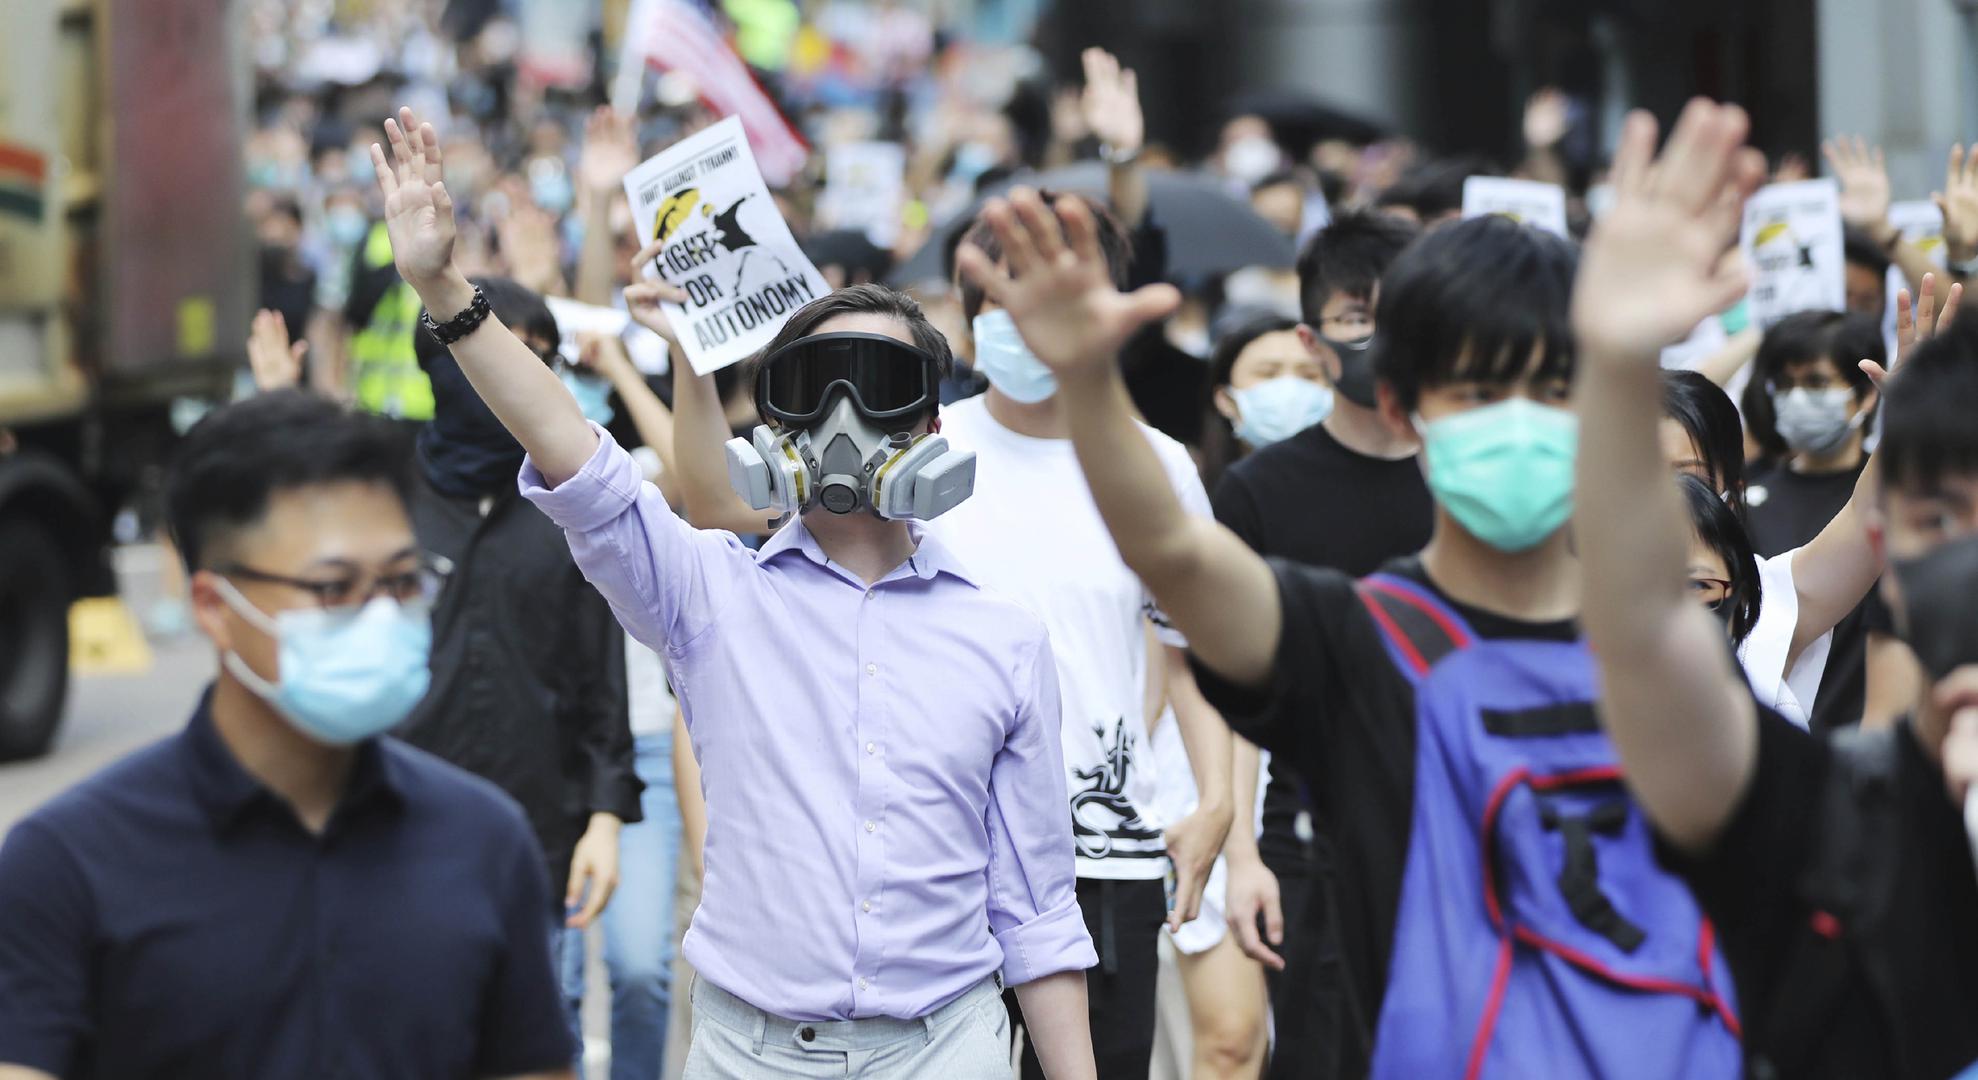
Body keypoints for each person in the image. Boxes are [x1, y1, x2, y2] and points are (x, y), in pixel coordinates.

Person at [956, 168, 1746, 1078]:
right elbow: (1173, 550)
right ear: (1408, 407)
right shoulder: (1357, 640)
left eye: (1550, 388)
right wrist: (1087, 381)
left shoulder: (1680, 636)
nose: (1518, 424)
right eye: (1481, 391)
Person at [367, 108, 1099, 1080]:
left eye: (877, 382)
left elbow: (1037, 909)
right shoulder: (707, 592)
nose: (846, 415)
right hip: (751, 1052)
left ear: (929, 418)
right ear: (780, 410)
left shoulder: (1002, 636)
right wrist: (442, 287)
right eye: (816, 382)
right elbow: (578, 459)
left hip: (947, 1045)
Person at [1572, 100, 1978, 1078]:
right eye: (1933, 519)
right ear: (1889, 545)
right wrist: (1615, 365)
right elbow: (1642, 630)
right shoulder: (1817, 803)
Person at [0, 391, 575, 1080]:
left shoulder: (484, 842)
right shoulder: (68, 863)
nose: (380, 618)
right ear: (214, 606)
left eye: (400, 582)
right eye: (333, 590)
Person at [941, 191, 1235, 1080]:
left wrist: (1214, 801)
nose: (1024, 320)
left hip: (1104, 862)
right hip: (942, 850)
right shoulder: (924, 455)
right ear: (972, 316)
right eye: (1001, 295)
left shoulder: (1157, 466)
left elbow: (1192, 654)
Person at [393, 275, 641, 1066]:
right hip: (400, 834)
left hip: (541, 836)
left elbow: (602, 677)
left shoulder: (567, 505)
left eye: (537, 357)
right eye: (493, 353)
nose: (513, 376)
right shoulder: (386, 501)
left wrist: (604, 816)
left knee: (539, 1030)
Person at [1208, 208, 1429, 1079]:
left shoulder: (1479, 473)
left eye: (1399, 312)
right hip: (1310, 840)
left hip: (1460, 823)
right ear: (1314, 336)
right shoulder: (1258, 490)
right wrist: (1243, 855)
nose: (1378, 336)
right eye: (1354, 317)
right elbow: (1226, 677)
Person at [1742, 309, 1886, 730]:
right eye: (1785, 385)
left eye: (1816, 383)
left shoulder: (1894, 496)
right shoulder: (1744, 493)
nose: (1798, 398)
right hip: (1766, 742)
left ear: (1866, 395)